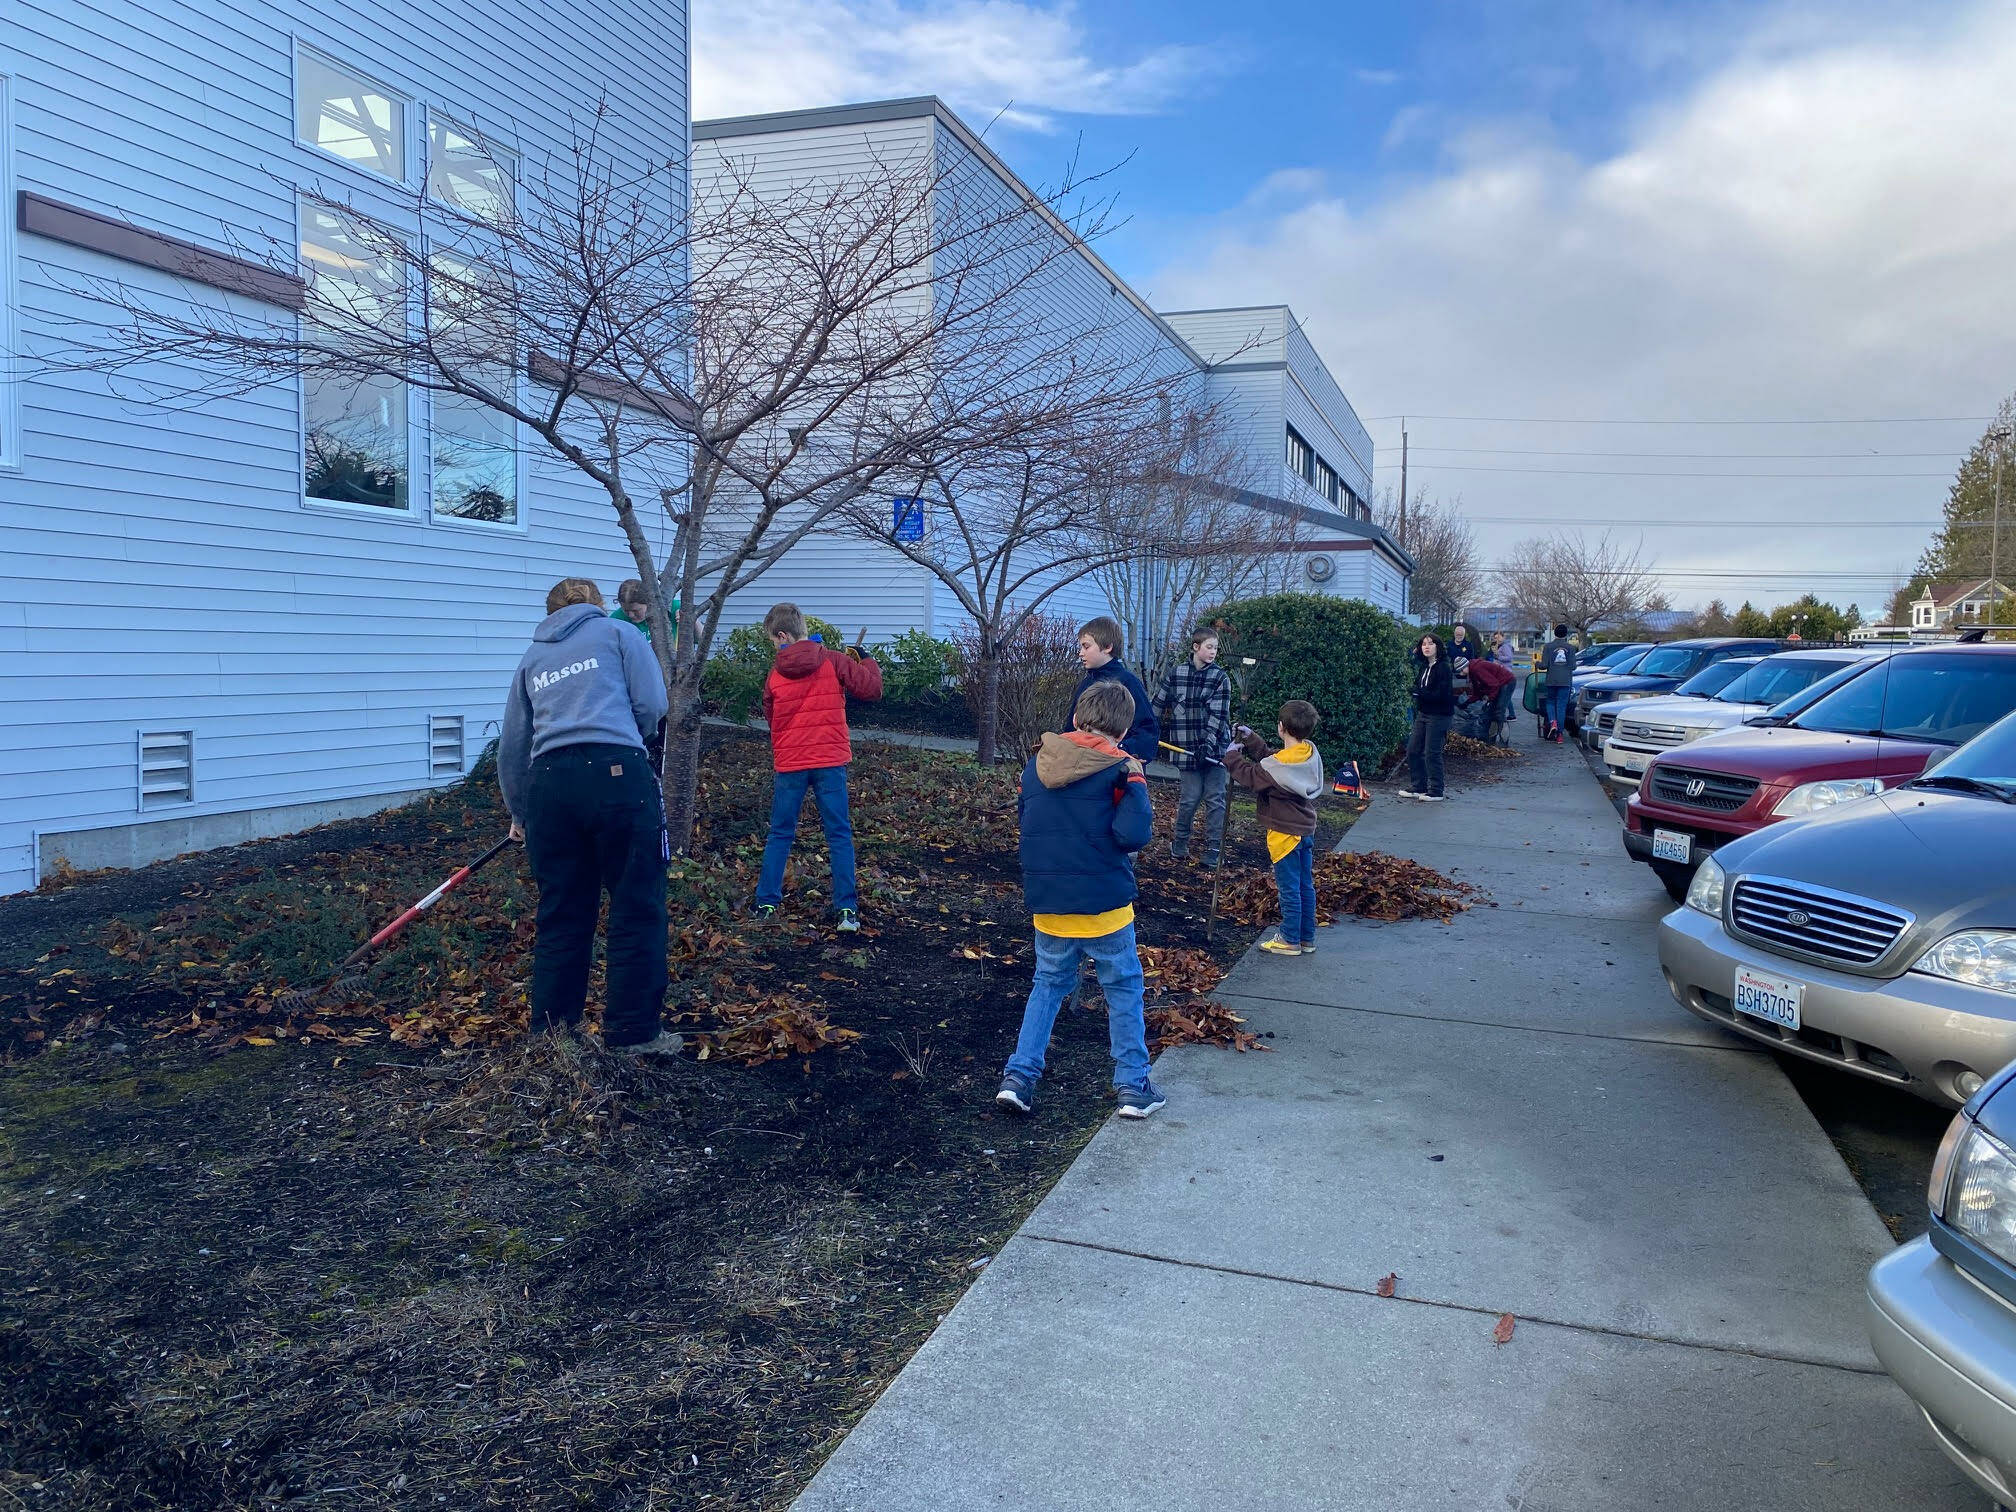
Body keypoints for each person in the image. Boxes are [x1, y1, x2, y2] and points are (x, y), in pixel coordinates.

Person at [499, 577, 679, 1055]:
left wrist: (520, 811)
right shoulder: (618, 635)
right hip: (618, 777)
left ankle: (553, 1037)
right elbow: (654, 704)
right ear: (597, 605)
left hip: (550, 786)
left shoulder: (531, 658)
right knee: (636, 904)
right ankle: (633, 1033)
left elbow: (514, 745)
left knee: (562, 912)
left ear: (551, 611)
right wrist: (629, 741)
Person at [995, 680, 1164, 1120]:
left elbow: (1027, 819)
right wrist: (1138, 784)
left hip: (1048, 903)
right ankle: (1133, 1086)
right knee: (1124, 990)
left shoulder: (1036, 764)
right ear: (1124, 731)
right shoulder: (1121, 769)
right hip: (1105, 906)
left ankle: (1019, 1078)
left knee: (1047, 986)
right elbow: (1133, 835)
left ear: (1075, 718)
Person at [754, 602, 883, 932]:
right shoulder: (834, 660)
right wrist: (865, 657)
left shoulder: (774, 675)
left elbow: (772, 718)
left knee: (781, 833)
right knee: (838, 834)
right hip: (829, 761)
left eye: (773, 639)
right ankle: (846, 912)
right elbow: (872, 689)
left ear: (783, 635)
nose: (774, 644)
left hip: (791, 763)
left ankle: (766, 903)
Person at [1222, 702, 1324, 956]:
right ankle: (1306, 937)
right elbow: (1272, 761)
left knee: (1289, 887)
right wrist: (1252, 740)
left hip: (1284, 834)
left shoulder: (1277, 767)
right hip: (1305, 828)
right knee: (1304, 885)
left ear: (1281, 727)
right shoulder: (1308, 754)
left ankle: (1289, 939)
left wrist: (1232, 756)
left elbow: (1252, 775)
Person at [1153, 628, 1233, 865]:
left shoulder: (1220, 678)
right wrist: (1146, 729)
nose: (1213, 652)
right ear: (1195, 647)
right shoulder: (1177, 673)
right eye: (1209, 647)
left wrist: (1207, 746)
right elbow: (1158, 704)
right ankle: (1179, 844)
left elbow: (1218, 716)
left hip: (1214, 750)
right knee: (1189, 798)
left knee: (1215, 798)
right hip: (1185, 747)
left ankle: (1212, 849)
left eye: (1216, 648)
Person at [1064, 616, 1159, 764]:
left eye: (1086, 646)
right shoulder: (1086, 683)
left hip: (1117, 768)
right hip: (1083, 766)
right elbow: (1071, 726)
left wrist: (1121, 750)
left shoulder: (1129, 683)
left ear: (1108, 647)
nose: (1081, 653)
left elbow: (1147, 731)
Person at [1403, 632, 1456, 801]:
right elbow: (1420, 690)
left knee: (1431, 752)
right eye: (1423, 644)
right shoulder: (1424, 666)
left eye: (1430, 643)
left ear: (1437, 647)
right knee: (1413, 749)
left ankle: (1436, 790)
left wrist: (1419, 693)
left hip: (1439, 715)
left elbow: (1440, 694)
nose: (1426, 646)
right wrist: (1419, 693)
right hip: (1424, 713)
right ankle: (1418, 786)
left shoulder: (1443, 668)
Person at [1542, 623, 1578, 742]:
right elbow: (1573, 666)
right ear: (1566, 634)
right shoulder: (1571, 648)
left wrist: (1537, 664)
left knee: (1550, 702)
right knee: (1561, 706)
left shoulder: (1548, 647)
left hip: (1551, 680)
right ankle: (1560, 735)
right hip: (1565, 681)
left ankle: (1553, 722)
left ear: (1554, 633)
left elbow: (1543, 665)